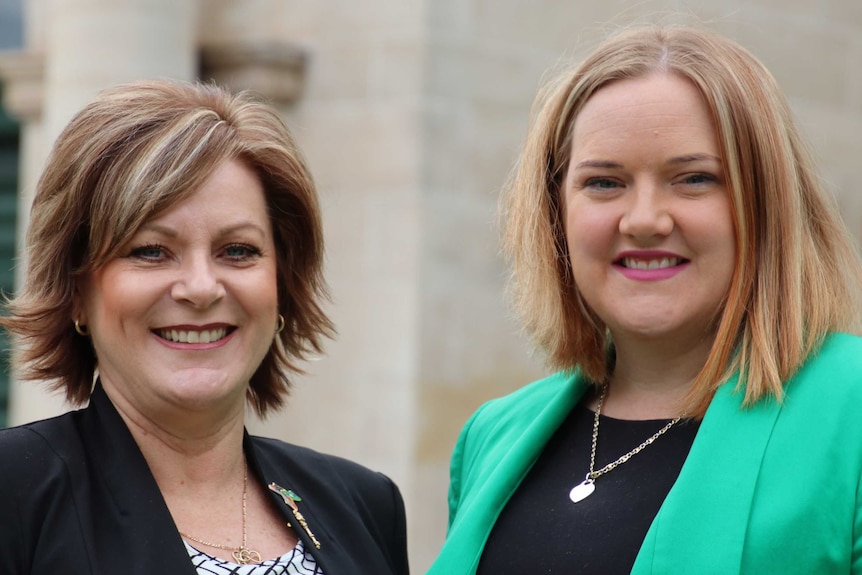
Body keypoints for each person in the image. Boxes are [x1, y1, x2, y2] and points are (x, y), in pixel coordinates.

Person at [428, 25, 862, 575]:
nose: (644, 220)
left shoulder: (851, 411)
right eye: (605, 183)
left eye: (694, 179)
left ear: (765, 202)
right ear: (556, 213)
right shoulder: (492, 436)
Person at [0, 79, 409, 575]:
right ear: (77, 292)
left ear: (282, 282)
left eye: (237, 251)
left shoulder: (363, 505)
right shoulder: (14, 493)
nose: (201, 287)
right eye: (151, 251)